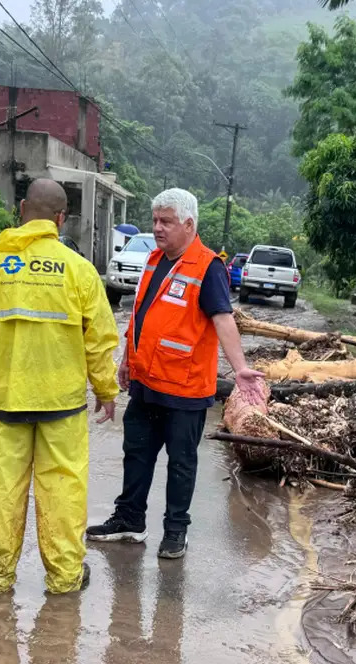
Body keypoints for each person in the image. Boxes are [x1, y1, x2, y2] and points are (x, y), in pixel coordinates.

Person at [0, 179, 120, 594]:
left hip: (8, 400)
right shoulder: (78, 269)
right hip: (62, 405)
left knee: (5, 491)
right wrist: (105, 389)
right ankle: (64, 580)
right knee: (63, 490)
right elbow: (99, 337)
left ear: (22, 208)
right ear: (62, 219)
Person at [86, 188, 263, 559]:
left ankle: (176, 531)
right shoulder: (153, 260)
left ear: (188, 224)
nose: (158, 228)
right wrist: (126, 360)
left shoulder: (208, 266)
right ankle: (129, 521)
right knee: (136, 454)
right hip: (146, 384)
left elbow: (223, 318)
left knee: (181, 463)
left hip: (184, 391)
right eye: (155, 221)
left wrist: (240, 367)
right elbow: (142, 316)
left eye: (165, 221)